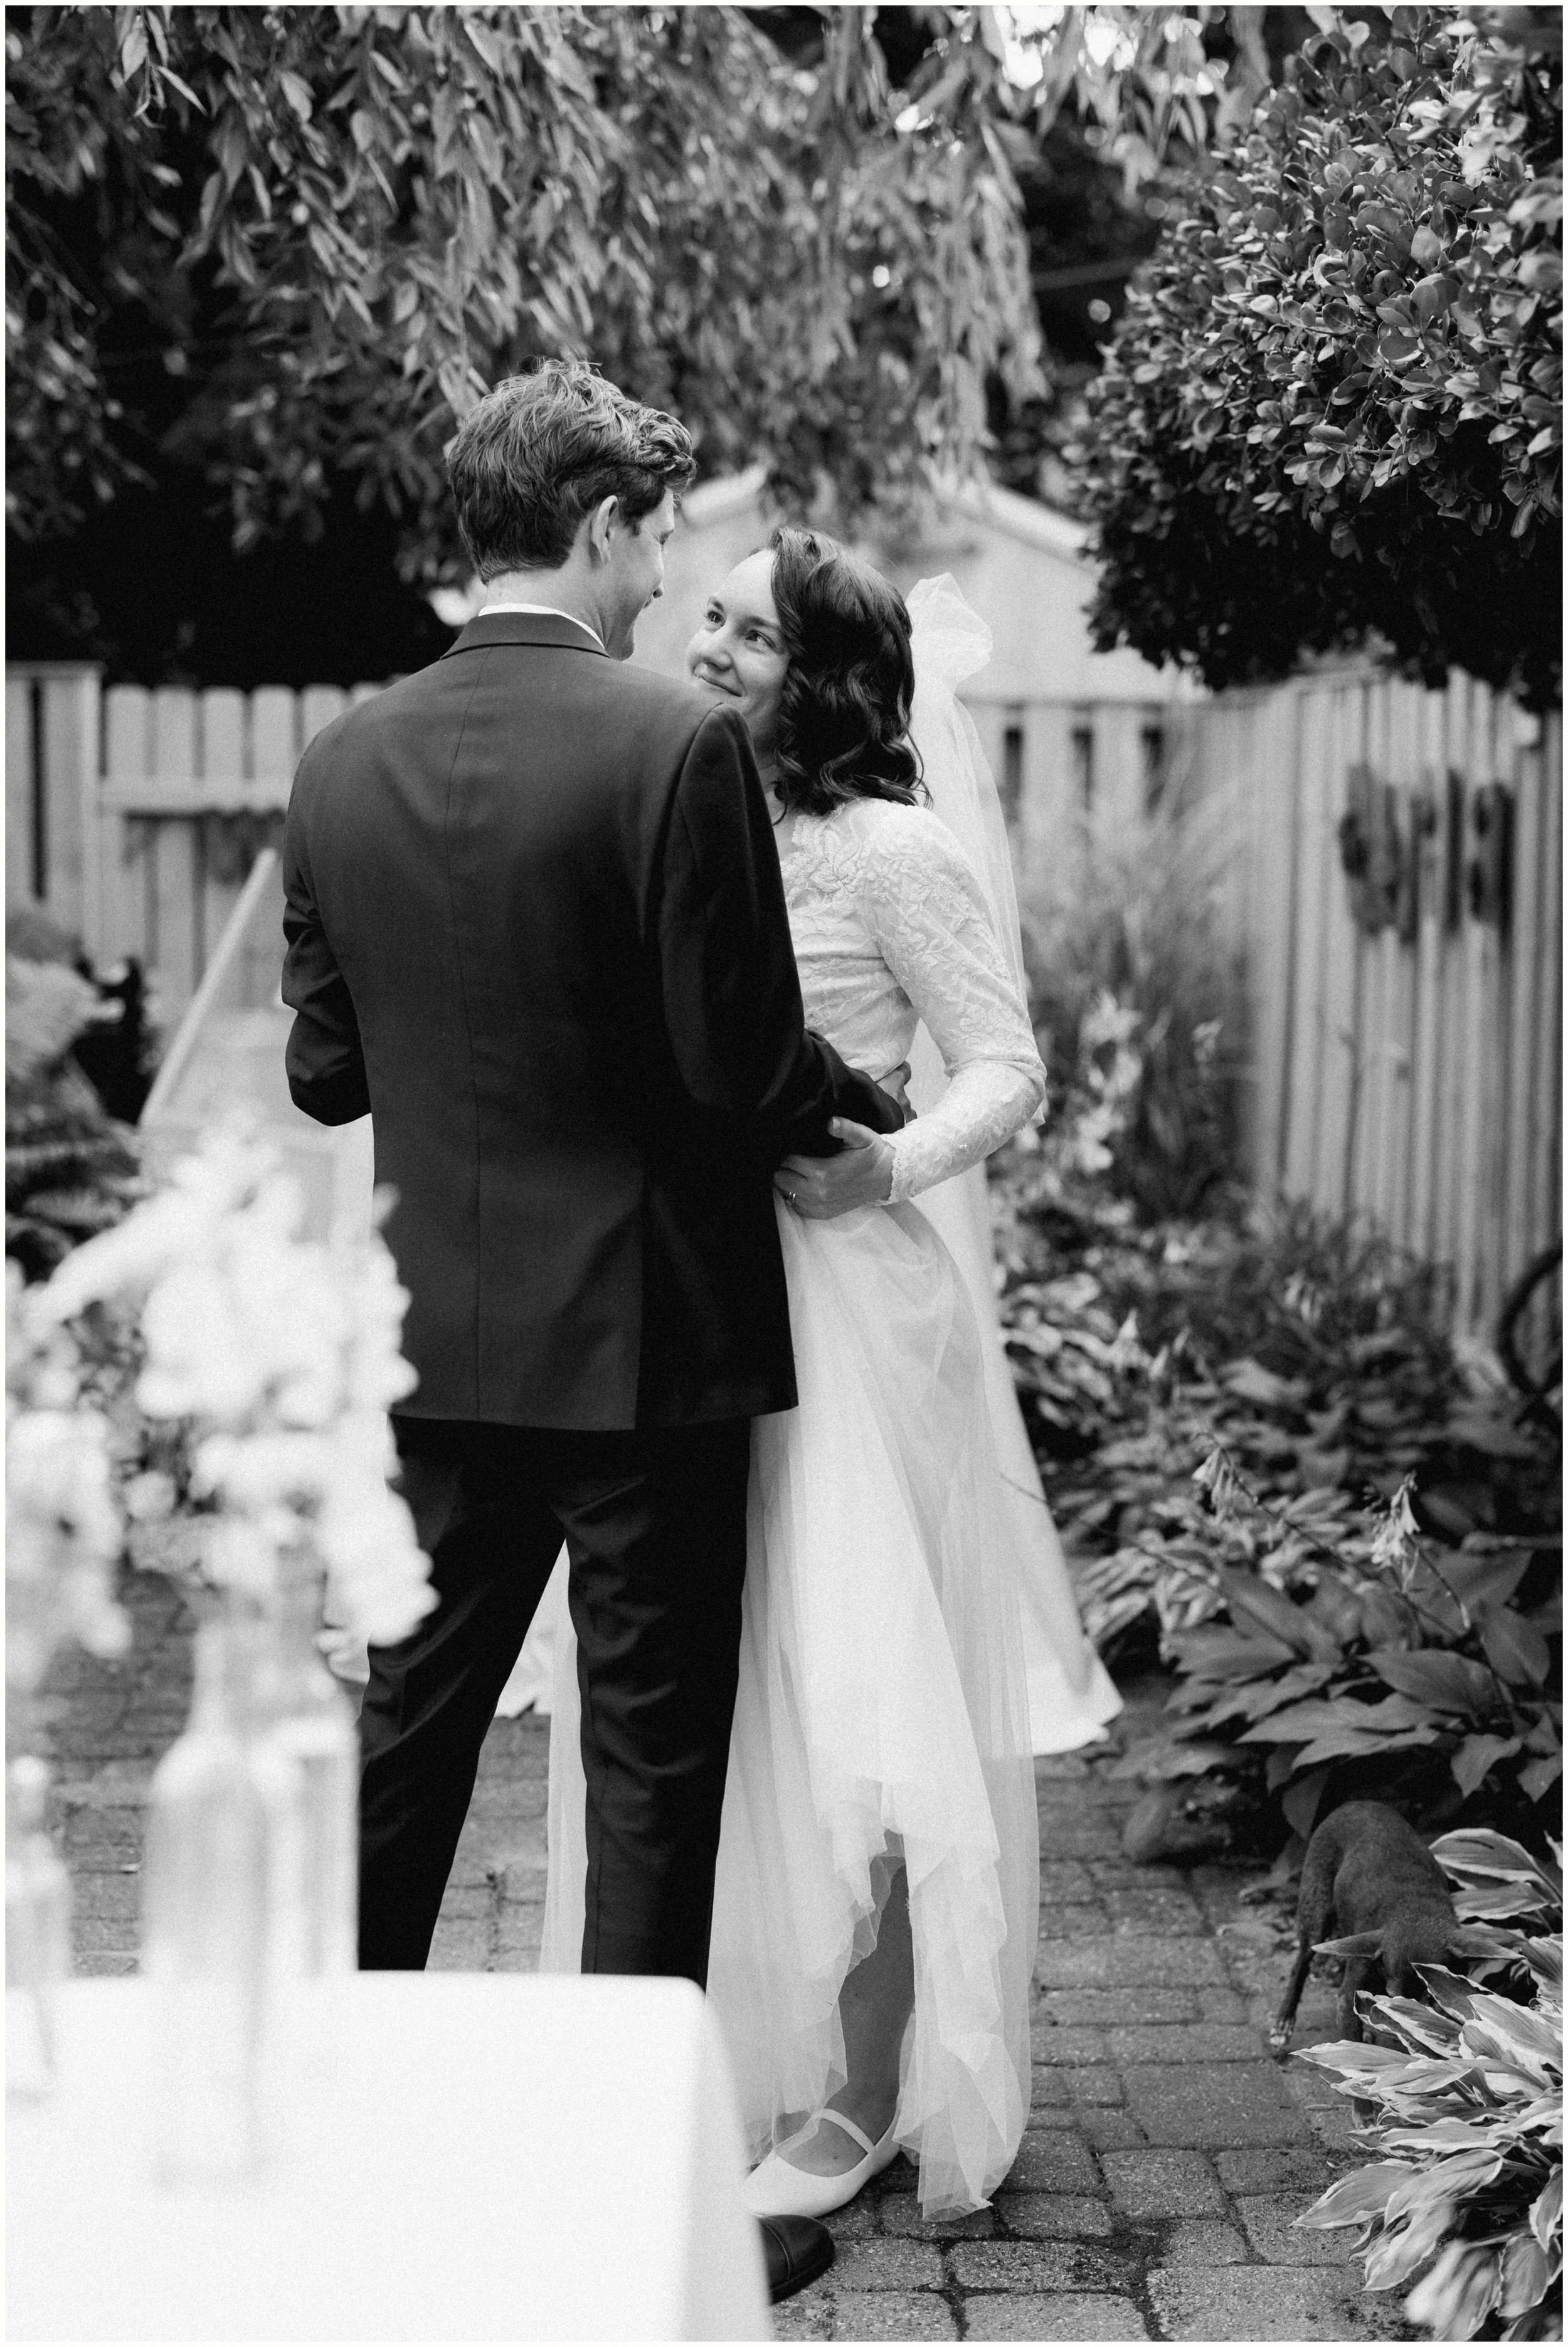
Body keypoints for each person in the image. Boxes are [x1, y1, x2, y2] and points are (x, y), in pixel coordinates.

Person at [281, 361, 909, 2304]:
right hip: (648, 1345)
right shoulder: (669, 747)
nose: (666, 580)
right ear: (603, 526)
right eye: (656, 535)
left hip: (436, 1344)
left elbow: (323, 1077)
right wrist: (863, 1101)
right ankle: (621, 2208)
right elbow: (732, 1062)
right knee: (651, 1770)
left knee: (405, 1743)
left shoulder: (338, 759)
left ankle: (334, 2143)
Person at [541, 529, 1060, 2222]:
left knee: (868, 1699)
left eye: (750, 634)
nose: (708, 646)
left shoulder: (886, 850)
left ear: (824, 679)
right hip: (679, 1297)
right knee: (714, 1688)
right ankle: (721, 2048)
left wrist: (891, 1166)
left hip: (847, 1299)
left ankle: (858, 2091)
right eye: (708, 613)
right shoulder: (663, 806)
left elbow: (1004, 1064)